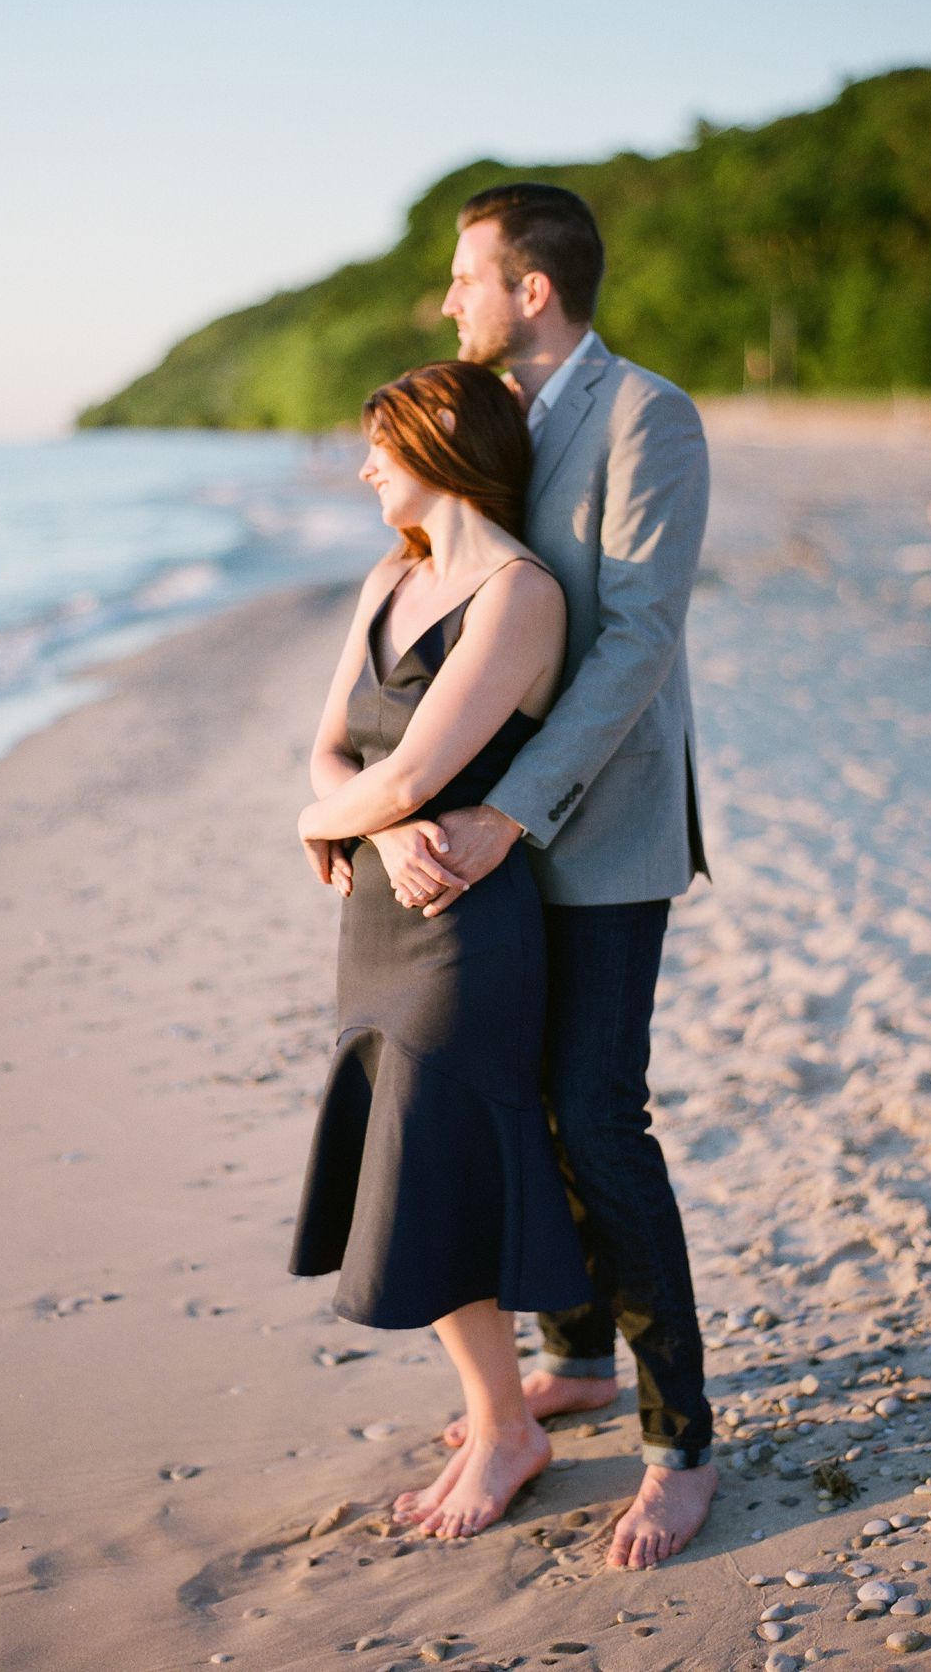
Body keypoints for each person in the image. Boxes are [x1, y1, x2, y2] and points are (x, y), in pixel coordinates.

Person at [352, 183, 718, 1569]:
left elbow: (637, 643)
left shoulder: (649, 420)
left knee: (597, 1115)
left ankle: (681, 1440)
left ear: (535, 289)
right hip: (483, 840)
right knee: (521, 1102)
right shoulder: (495, 418)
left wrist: (507, 812)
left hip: (600, 833)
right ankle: (576, 1356)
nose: (449, 301)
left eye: (466, 278)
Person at [289, 359, 593, 1541]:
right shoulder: (386, 576)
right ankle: (501, 1404)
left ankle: (508, 1424)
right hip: (374, 917)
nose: (365, 466)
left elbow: (402, 771)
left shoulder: (521, 595)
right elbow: (329, 747)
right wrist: (363, 812)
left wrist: (321, 819)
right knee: (410, 1158)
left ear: (436, 446)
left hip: (462, 925)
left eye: (380, 445)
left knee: (439, 1158)